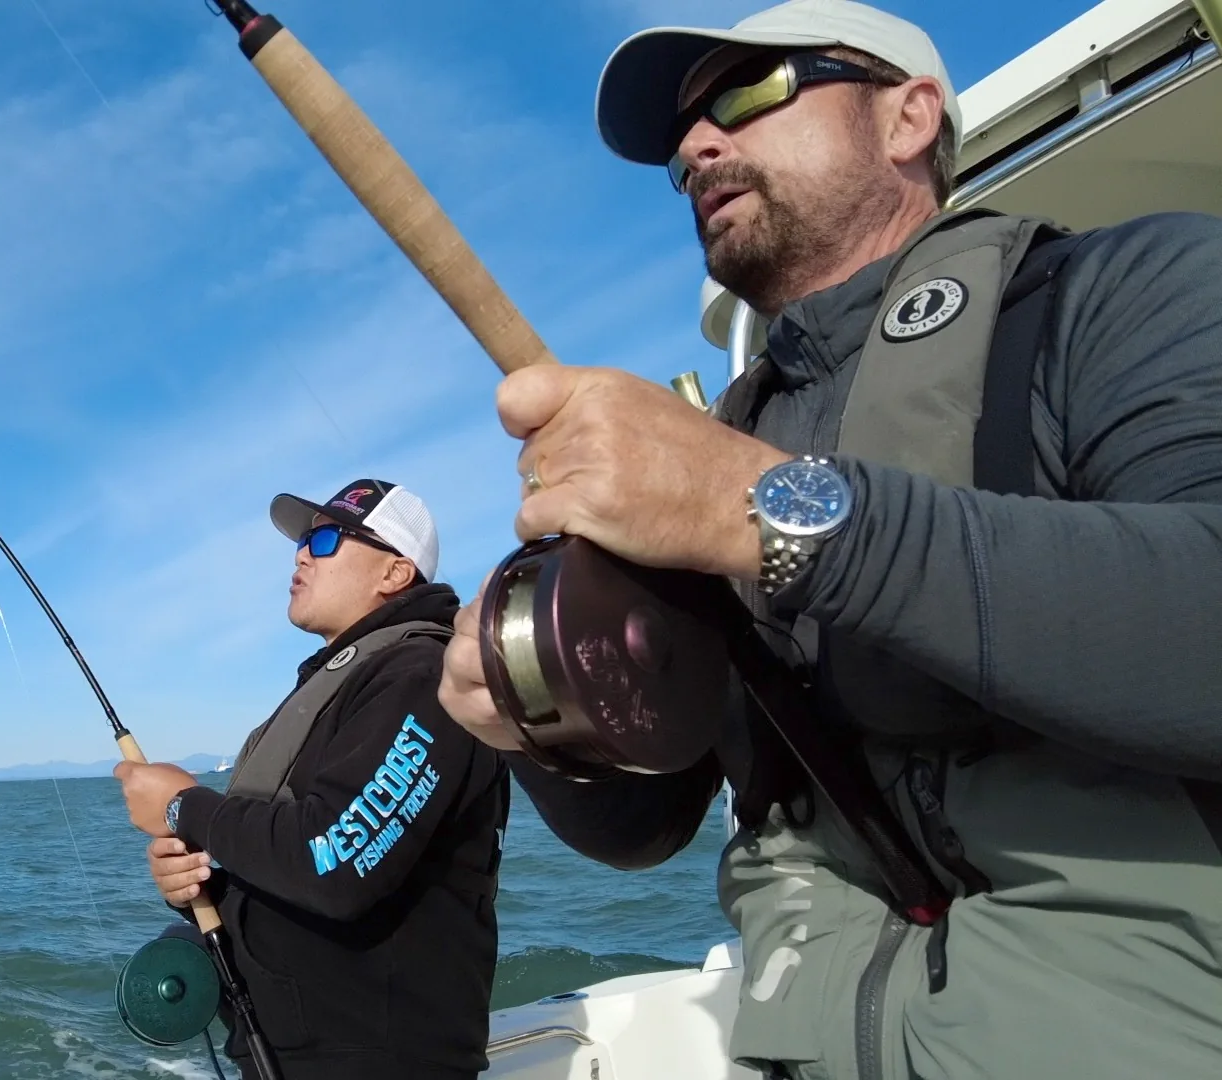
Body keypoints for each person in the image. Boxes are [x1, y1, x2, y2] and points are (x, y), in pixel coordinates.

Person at [436, 1, 1222, 1077]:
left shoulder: (1136, 289)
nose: (697, 146)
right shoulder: (720, 444)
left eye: (747, 94)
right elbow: (647, 821)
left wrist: (757, 510)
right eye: (682, 145)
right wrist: (532, 717)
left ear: (907, 118)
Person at [114, 478, 510, 1080]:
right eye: (302, 540)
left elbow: (336, 860)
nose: (301, 553)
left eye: (325, 538)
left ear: (395, 573)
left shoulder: (423, 679)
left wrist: (184, 808)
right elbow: (291, 858)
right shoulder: (345, 686)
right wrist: (196, 881)